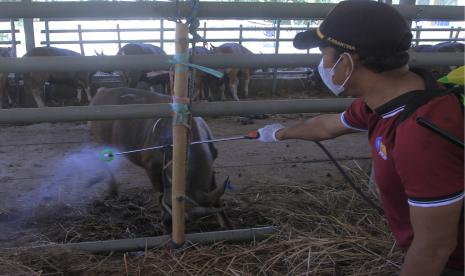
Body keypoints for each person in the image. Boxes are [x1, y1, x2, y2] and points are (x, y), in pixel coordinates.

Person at [257, 1, 464, 275]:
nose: (322, 64)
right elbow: (328, 126)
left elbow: (434, 247)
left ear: (346, 62)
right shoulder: (390, 99)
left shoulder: (420, 137)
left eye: (324, 54)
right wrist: (277, 133)